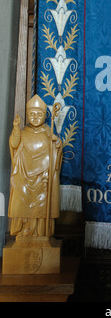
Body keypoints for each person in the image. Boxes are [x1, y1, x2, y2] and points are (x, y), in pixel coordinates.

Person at [8, 95, 62, 237]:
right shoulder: (22, 132)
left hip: (43, 180)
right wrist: (15, 128)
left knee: (42, 208)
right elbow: (14, 145)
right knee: (22, 204)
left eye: (39, 114)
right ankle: (23, 230)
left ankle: (41, 232)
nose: (35, 117)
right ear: (27, 115)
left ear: (44, 115)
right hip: (24, 178)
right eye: (32, 114)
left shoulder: (48, 132)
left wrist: (56, 143)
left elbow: (56, 150)